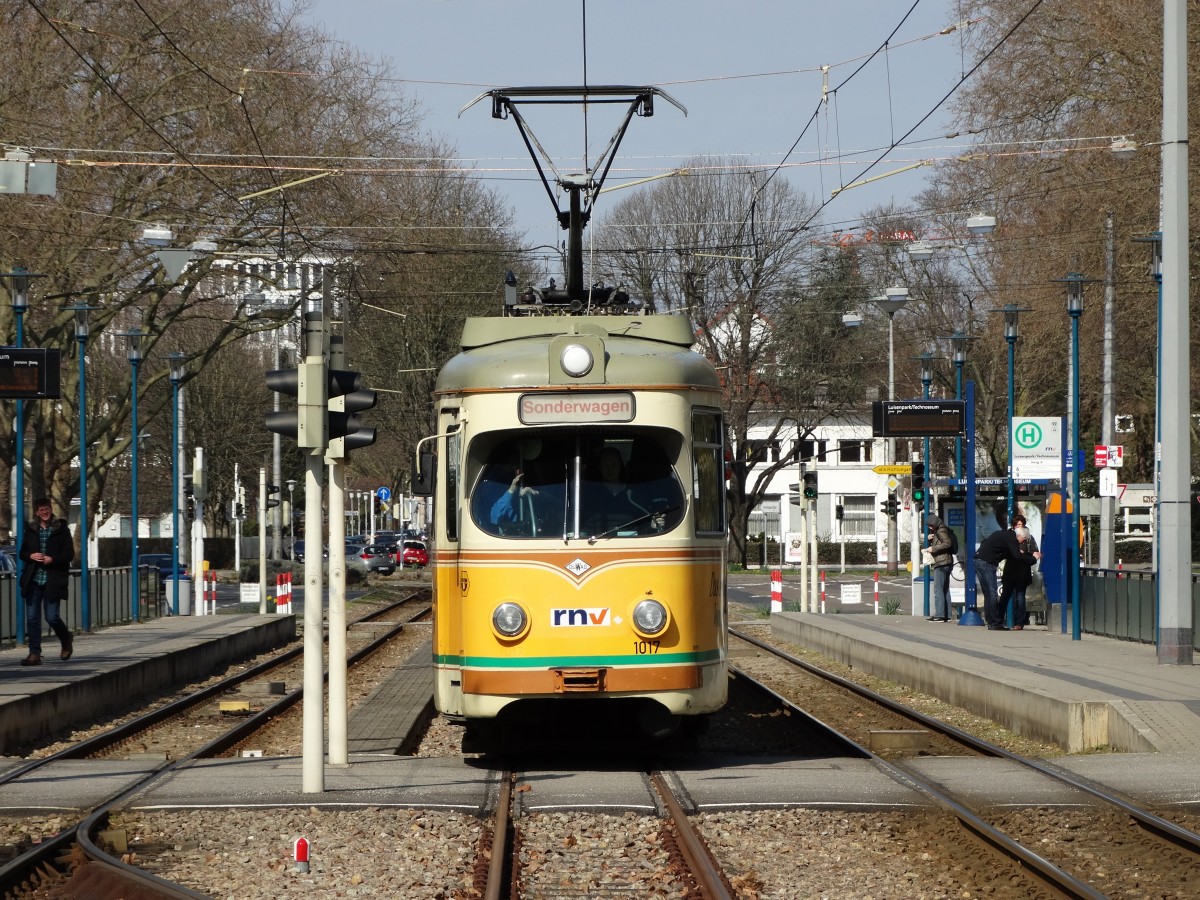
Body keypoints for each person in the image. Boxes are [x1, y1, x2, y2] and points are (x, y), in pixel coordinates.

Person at [18, 496, 75, 666]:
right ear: (37, 512)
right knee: (32, 618)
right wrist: (30, 556)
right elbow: (22, 552)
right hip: (34, 579)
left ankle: (66, 639)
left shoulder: (61, 529)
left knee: (52, 617)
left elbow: (69, 554)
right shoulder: (31, 529)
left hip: (52, 579)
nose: (45, 512)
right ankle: (34, 654)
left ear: (51, 509)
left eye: (47, 509)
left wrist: (53, 560)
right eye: (41, 510)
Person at [583, 447, 650, 533]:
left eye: (614, 464)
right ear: (599, 467)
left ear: (620, 466)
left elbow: (643, 523)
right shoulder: (591, 494)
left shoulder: (633, 495)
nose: (610, 469)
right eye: (605, 465)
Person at [974, 526, 1027, 630]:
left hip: (979, 560)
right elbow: (1016, 555)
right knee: (992, 593)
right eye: (1023, 540)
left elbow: (988, 543)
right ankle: (995, 623)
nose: (1022, 543)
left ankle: (990, 620)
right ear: (1020, 535)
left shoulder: (1003, 534)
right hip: (987, 563)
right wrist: (1031, 557)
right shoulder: (1012, 538)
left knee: (988, 593)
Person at [1000, 514, 1042, 630]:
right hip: (1010, 570)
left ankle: (1019, 622)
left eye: (1021, 525)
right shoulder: (1009, 537)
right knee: (1006, 595)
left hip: (1022, 571)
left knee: (1020, 597)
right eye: (1017, 525)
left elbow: (1035, 553)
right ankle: (1000, 619)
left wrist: (1025, 554)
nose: (1019, 527)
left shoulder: (1028, 538)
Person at [924, 514, 957, 622]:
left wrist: (933, 548)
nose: (929, 527)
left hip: (941, 562)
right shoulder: (943, 529)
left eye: (930, 525)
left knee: (938, 589)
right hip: (947, 562)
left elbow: (947, 543)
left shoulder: (940, 531)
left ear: (934, 523)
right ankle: (946, 614)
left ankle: (940, 615)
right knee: (945, 589)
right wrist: (933, 539)